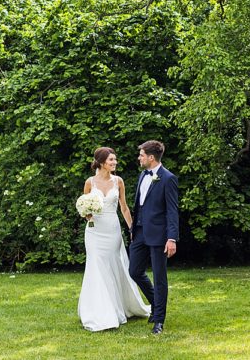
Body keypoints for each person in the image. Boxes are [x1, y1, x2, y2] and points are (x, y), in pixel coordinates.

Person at [77, 147, 150, 331]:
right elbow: (84, 208)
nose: (114, 163)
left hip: (112, 229)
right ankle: (100, 312)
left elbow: (124, 208)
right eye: (111, 160)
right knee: (96, 266)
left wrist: (133, 228)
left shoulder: (118, 181)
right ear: (102, 162)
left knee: (113, 265)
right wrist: (87, 215)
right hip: (94, 231)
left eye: (115, 160)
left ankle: (119, 306)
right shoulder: (89, 182)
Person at [128, 139, 179, 335]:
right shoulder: (142, 175)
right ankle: (155, 303)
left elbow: (172, 211)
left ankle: (159, 320)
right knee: (134, 271)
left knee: (159, 277)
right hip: (139, 232)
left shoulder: (168, 178)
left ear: (151, 157)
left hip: (159, 235)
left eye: (141, 155)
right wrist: (133, 228)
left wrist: (171, 238)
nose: (139, 158)